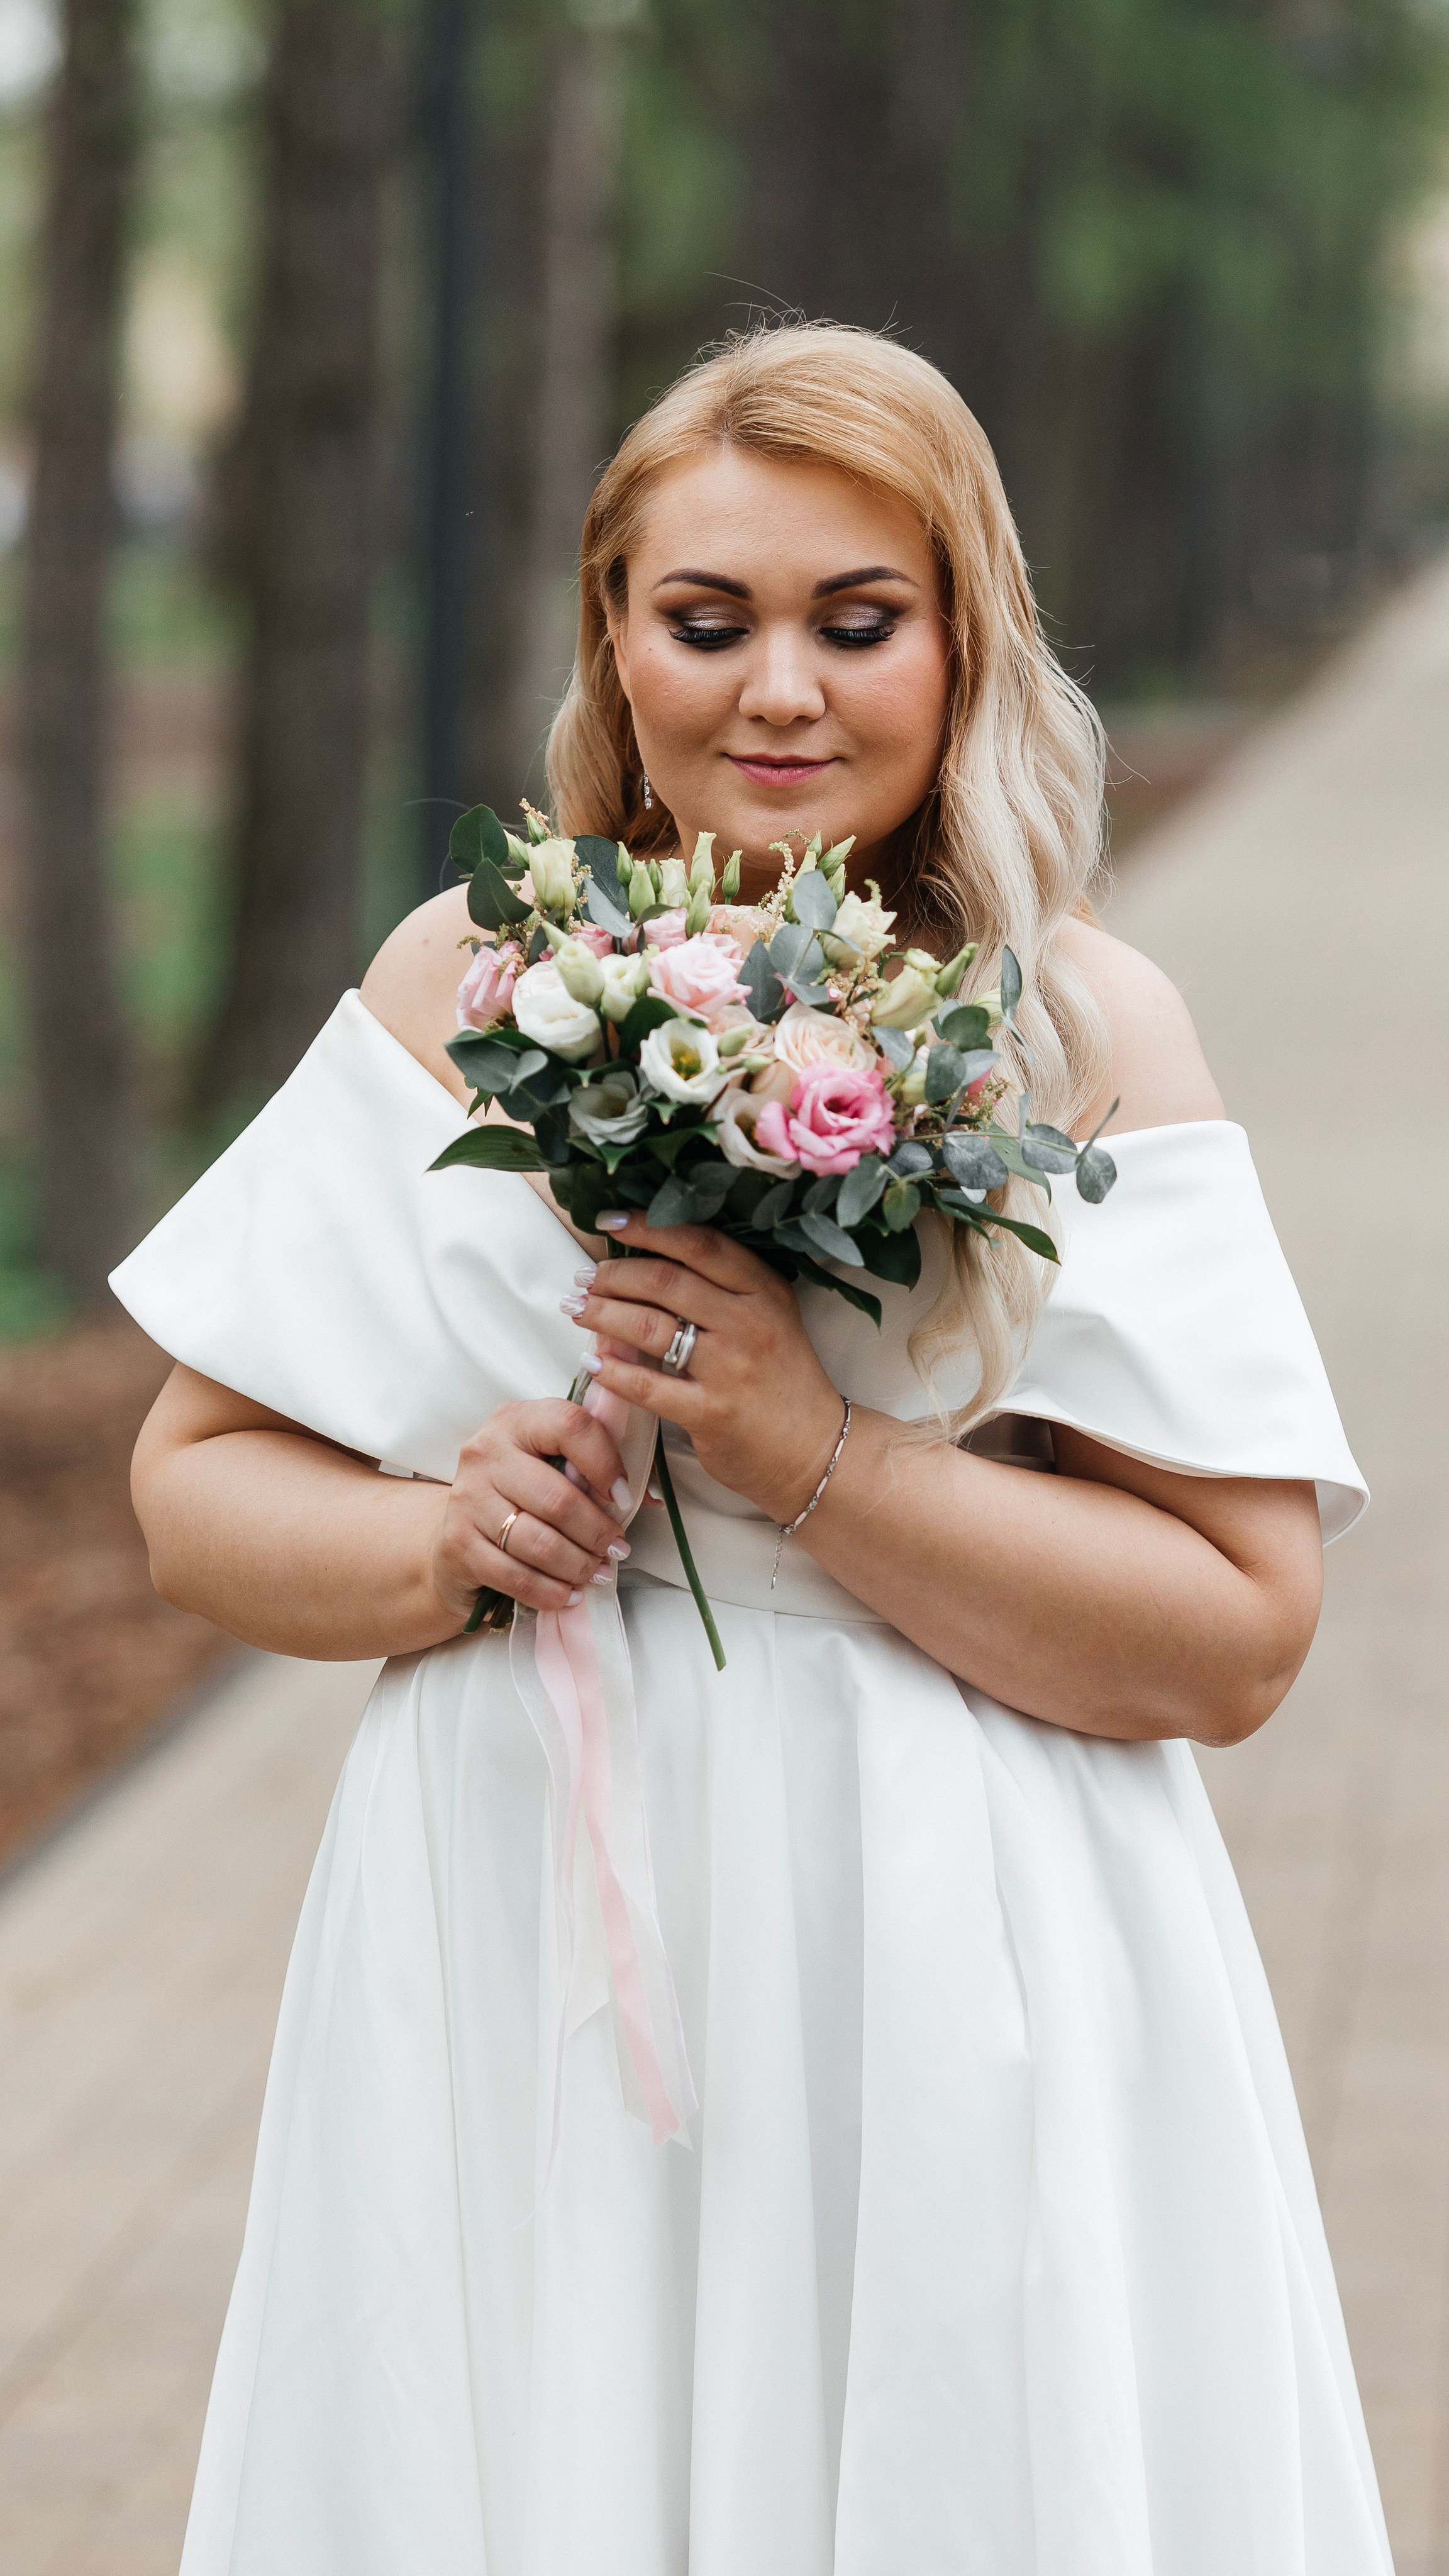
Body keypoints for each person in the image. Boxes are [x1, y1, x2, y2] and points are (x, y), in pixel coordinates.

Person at [114, 324, 1391, 2575]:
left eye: (854, 622)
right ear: (616, 634)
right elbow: (192, 1489)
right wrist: (442, 1539)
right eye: (709, 623)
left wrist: (817, 1457)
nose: (778, 690)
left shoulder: (1080, 1022)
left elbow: (1237, 1633)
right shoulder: (470, 980)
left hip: (952, 1936)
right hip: (525, 1914)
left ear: (962, 636)